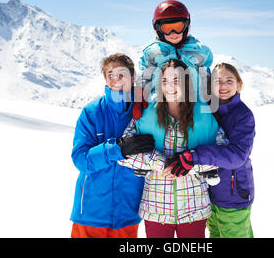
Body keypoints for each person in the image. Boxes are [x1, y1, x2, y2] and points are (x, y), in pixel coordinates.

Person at [118, 59, 219, 238]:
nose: (170, 86)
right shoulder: (146, 114)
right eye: (164, 81)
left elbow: (223, 153)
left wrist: (190, 163)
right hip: (156, 208)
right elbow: (123, 151)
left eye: (176, 80)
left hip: (194, 207)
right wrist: (160, 162)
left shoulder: (204, 116)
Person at [70, 53, 155, 238]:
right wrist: (118, 149)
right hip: (91, 212)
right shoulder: (92, 112)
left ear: (133, 78)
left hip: (127, 211)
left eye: (121, 74)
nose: (116, 79)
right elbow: (80, 159)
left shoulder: (145, 112)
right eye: (110, 75)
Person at [171, 62, 256, 238]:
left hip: (234, 195)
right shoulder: (208, 110)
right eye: (218, 80)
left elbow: (237, 156)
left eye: (229, 80)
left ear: (239, 84)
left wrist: (196, 156)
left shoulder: (243, 115)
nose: (223, 85)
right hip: (210, 195)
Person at [133, 0, 214, 120]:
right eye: (167, 28)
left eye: (178, 27)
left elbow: (206, 74)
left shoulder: (199, 51)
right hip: (161, 102)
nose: (173, 33)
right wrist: (140, 94)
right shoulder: (152, 52)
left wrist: (210, 96)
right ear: (158, 29)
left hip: (194, 102)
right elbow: (145, 76)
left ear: (186, 26)